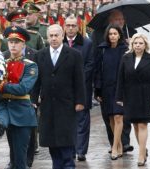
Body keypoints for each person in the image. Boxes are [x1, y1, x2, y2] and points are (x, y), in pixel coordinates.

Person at [32, 24, 85, 169]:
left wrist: (80, 101)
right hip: (48, 105)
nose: (54, 38)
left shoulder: (74, 55)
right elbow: (36, 81)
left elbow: (79, 80)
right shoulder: (40, 55)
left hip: (67, 104)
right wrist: (33, 99)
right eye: (51, 36)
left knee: (66, 142)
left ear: (62, 36)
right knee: (52, 143)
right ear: (47, 37)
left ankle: (68, 165)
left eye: (57, 35)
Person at [0, 26, 38, 169]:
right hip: (5, 105)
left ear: (23, 44)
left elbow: (23, 88)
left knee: (20, 156)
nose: (13, 45)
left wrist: (2, 86)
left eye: (17, 42)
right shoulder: (0, 64)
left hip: (22, 111)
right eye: (11, 42)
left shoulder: (30, 65)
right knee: (13, 155)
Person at [91, 9, 136, 153]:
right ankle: (114, 143)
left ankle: (123, 143)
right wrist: (96, 87)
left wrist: (133, 47)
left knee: (122, 116)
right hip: (107, 84)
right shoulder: (98, 35)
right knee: (109, 116)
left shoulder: (131, 33)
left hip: (124, 85)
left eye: (122, 19)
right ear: (110, 22)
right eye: (117, 19)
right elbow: (95, 61)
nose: (121, 21)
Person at [116, 33, 150, 166]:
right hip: (130, 95)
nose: (138, 45)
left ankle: (141, 155)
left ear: (145, 45)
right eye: (135, 43)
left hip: (146, 95)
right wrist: (119, 96)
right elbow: (120, 79)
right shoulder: (126, 58)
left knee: (142, 124)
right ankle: (143, 149)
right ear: (132, 44)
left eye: (140, 43)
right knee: (135, 124)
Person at [94, 24, 128, 160]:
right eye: (110, 34)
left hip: (121, 88)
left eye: (115, 33)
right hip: (106, 88)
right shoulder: (102, 49)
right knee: (111, 119)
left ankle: (114, 147)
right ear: (107, 36)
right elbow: (98, 70)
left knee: (119, 116)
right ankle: (118, 144)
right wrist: (97, 90)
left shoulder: (125, 50)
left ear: (119, 35)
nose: (113, 36)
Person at [63, 15, 94, 161]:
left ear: (78, 26)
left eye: (73, 25)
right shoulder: (59, 42)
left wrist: (77, 78)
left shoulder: (86, 43)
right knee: (67, 120)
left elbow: (90, 65)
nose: (70, 28)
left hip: (82, 88)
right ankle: (70, 148)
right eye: (68, 25)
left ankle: (81, 150)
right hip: (64, 90)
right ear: (64, 27)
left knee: (82, 120)